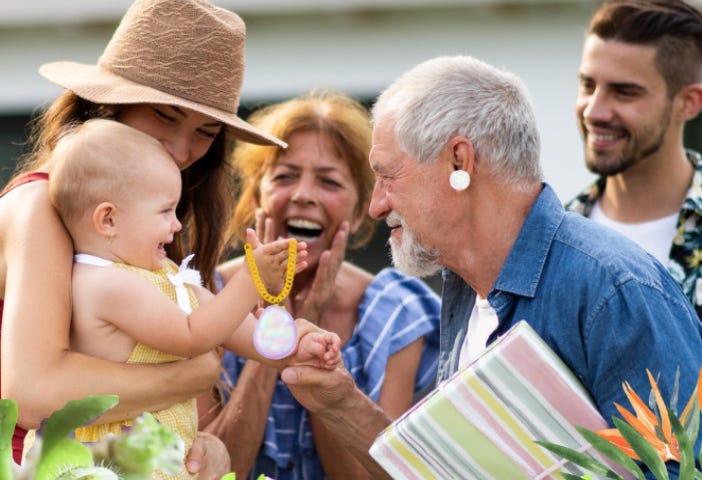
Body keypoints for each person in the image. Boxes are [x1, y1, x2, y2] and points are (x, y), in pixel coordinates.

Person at [276, 56, 702, 479]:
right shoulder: (466, 286)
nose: (376, 205)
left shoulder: (615, 291)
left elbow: (679, 472)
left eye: (388, 177)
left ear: (460, 161)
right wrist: (340, 401)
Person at [0, 0, 286, 474]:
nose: (180, 149)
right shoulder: (40, 207)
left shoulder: (140, 229)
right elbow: (31, 394)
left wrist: (205, 447)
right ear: (107, 102)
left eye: (206, 132)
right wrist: (190, 374)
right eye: (164, 117)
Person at [30, 118, 339, 479]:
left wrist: (293, 347)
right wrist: (251, 281)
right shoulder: (101, 284)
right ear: (108, 220)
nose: (177, 226)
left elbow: (237, 329)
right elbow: (192, 336)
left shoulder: (161, 274)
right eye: (165, 211)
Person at [198, 91, 441, 479]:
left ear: (362, 211)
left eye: (328, 181)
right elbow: (212, 472)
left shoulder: (398, 311)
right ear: (255, 197)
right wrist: (280, 329)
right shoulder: (201, 295)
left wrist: (312, 327)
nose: (303, 195)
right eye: (284, 176)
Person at [565, 0, 702, 318]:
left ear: (688, 103)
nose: (593, 111)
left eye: (624, 92)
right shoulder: (551, 240)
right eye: (588, 85)